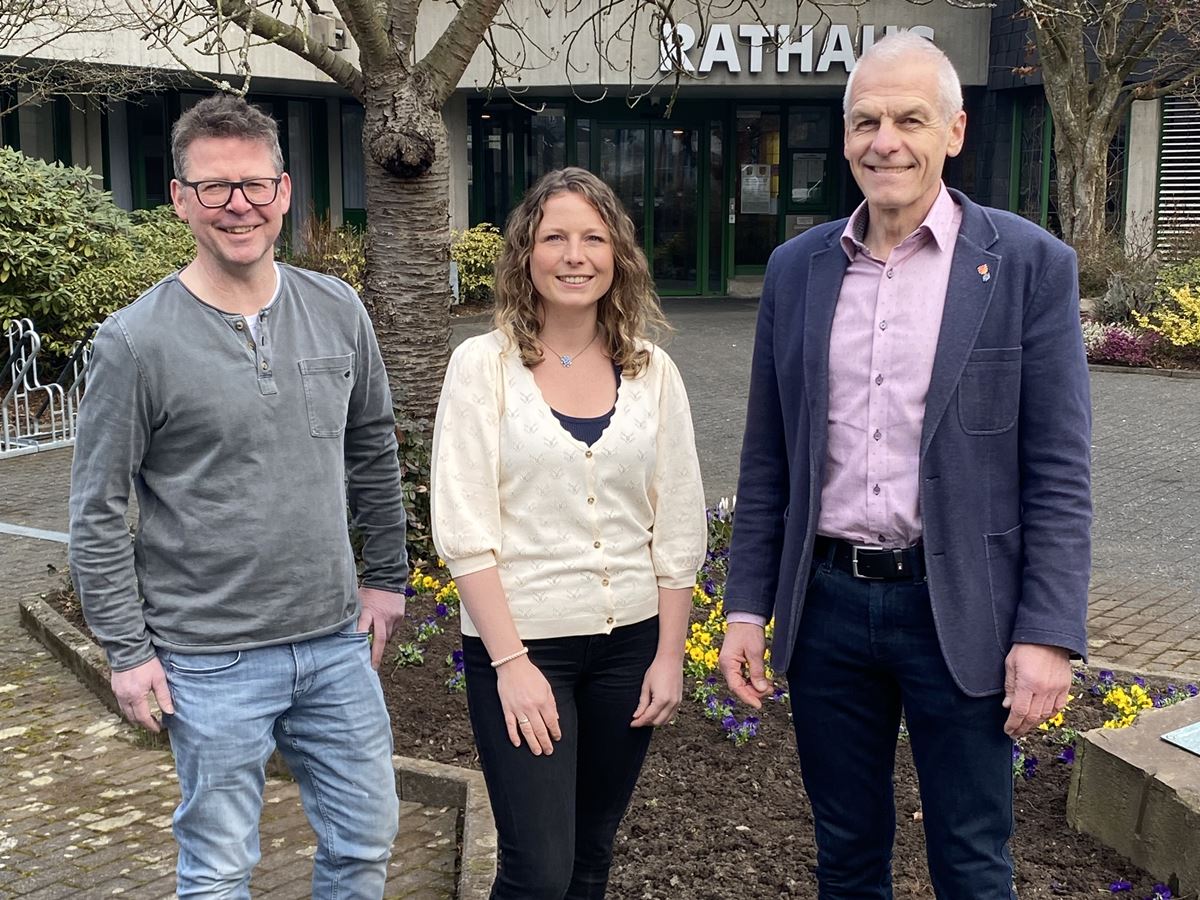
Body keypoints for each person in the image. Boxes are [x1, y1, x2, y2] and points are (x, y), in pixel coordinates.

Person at [718, 32, 1091, 900]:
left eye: (909, 119)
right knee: (845, 857)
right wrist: (745, 609)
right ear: (846, 136)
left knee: (972, 860)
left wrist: (1047, 635)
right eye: (866, 121)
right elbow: (767, 460)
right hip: (830, 609)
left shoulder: (1029, 266)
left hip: (963, 613)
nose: (886, 140)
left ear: (954, 133)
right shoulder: (795, 271)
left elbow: (1062, 473)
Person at [68, 94, 408, 898]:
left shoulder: (338, 309)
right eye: (214, 187)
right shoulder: (133, 343)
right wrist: (127, 651)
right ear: (181, 198)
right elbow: (97, 512)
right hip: (208, 658)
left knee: (366, 843)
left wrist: (387, 578)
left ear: (284, 192)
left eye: (255, 185)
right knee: (219, 869)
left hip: (334, 644)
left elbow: (372, 447)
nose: (238, 206)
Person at [431, 167, 706, 900]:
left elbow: (677, 521)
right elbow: (463, 527)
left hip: (630, 651)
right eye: (555, 237)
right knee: (538, 870)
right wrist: (511, 664)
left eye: (593, 237)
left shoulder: (653, 372)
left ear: (618, 254)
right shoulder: (481, 367)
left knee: (591, 854)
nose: (575, 255)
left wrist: (669, 656)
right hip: (524, 647)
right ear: (527, 253)